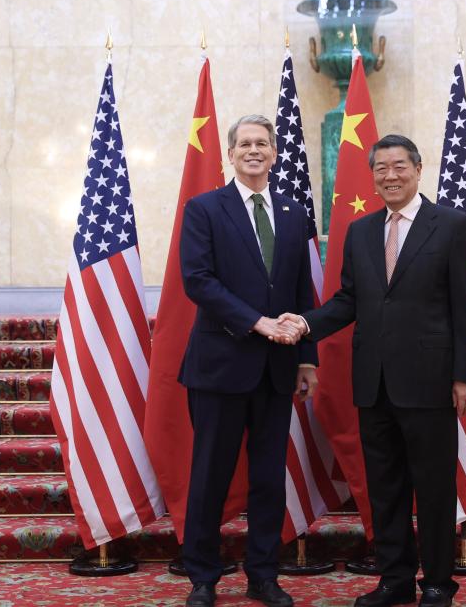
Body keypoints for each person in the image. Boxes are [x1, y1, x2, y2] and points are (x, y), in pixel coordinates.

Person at [279, 134, 466, 607]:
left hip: (431, 383)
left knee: (434, 489)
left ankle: (437, 583)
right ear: (372, 176)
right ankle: (395, 579)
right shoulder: (361, 231)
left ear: (418, 169)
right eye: (381, 169)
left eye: (399, 166)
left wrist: (464, 376)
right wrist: (306, 323)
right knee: (385, 490)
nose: (390, 176)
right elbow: (350, 300)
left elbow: (464, 306)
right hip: (374, 384)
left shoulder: (450, 225)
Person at [177, 114, 317, 607]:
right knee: (210, 476)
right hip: (220, 365)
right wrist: (256, 322)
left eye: (262, 143)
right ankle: (202, 577)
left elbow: (301, 288)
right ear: (230, 154)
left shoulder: (294, 212)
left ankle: (263, 574)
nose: (254, 151)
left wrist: (307, 359)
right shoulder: (204, 209)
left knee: (268, 479)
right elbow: (198, 280)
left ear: (275, 153)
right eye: (245, 144)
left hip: (277, 370)